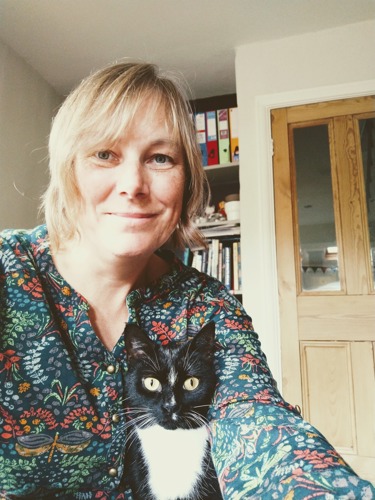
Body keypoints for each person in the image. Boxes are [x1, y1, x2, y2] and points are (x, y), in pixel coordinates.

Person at [0, 62, 373, 500]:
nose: (133, 184)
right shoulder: (10, 270)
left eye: (160, 158)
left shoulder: (206, 303)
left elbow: (256, 419)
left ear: (187, 182)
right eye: (105, 154)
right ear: (68, 169)